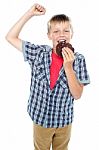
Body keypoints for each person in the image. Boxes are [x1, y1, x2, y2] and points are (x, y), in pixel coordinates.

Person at [5, 3, 90, 150]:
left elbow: (77, 94)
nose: (61, 34)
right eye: (56, 31)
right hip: (40, 119)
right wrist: (29, 13)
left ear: (71, 35)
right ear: (49, 36)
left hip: (64, 121)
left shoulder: (79, 60)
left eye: (66, 30)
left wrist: (68, 68)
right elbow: (10, 37)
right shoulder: (39, 54)